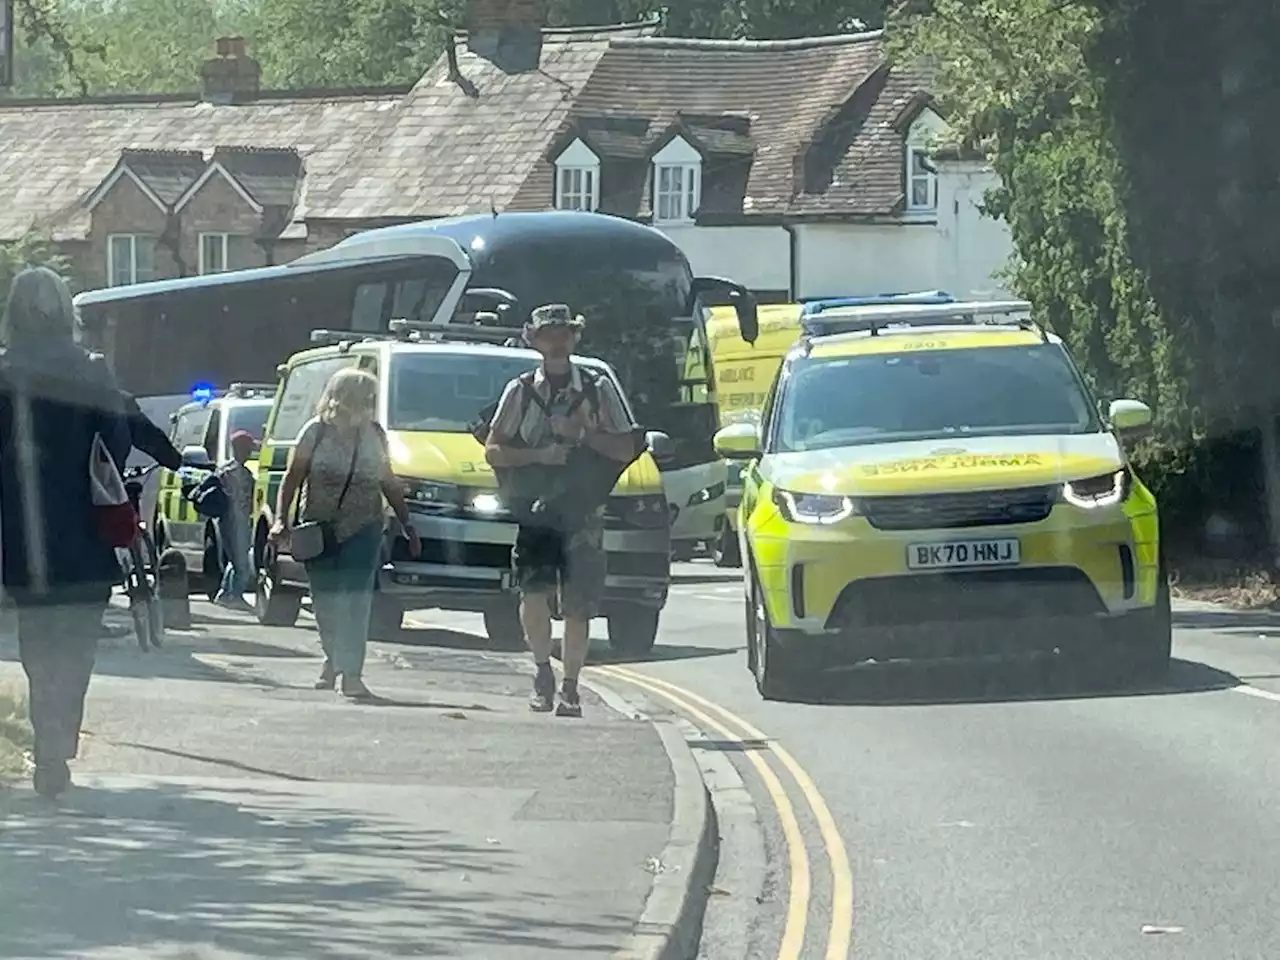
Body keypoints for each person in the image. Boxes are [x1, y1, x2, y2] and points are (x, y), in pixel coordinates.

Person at [0, 267, 130, 799]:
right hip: (85, 533)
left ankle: (48, 744)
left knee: (38, 645)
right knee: (77, 647)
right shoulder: (92, 372)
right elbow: (116, 449)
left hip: (22, 536)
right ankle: (58, 744)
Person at [484, 304, 641, 717]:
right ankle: (542, 673)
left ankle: (570, 687)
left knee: (579, 603)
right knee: (533, 595)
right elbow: (494, 451)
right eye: (547, 334)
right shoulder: (519, 390)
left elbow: (627, 448)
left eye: (563, 333)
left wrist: (585, 435)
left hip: (583, 509)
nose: (556, 341)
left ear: (575, 338)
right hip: (536, 510)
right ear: (533, 340)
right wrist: (542, 454)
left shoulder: (598, 387)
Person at [269, 368, 419, 701]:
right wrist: (281, 520)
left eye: (372, 398)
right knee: (325, 601)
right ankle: (333, 658)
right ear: (343, 397)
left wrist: (407, 523)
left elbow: (388, 481)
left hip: (364, 527)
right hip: (320, 528)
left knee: (355, 599)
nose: (370, 403)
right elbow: (292, 479)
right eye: (365, 396)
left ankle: (351, 674)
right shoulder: (315, 433)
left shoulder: (375, 434)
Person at [212, 430, 256, 612]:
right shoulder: (240, 473)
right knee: (242, 563)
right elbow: (243, 501)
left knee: (234, 559)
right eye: (249, 449)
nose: (251, 453)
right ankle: (235, 596)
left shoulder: (223, 469)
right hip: (237, 521)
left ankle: (224, 593)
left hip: (224, 520)